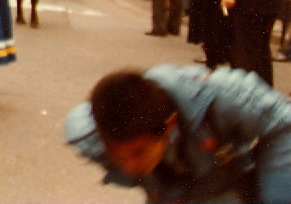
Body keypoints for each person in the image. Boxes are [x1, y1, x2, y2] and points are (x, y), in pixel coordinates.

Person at [65, 65, 291, 204]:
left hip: (221, 186)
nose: (130, 167)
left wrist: (276, 197)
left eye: (139, 153)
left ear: (168, 125)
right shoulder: (89, 136)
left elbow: (285, 123)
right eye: (118, 157)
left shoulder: (226, 95)